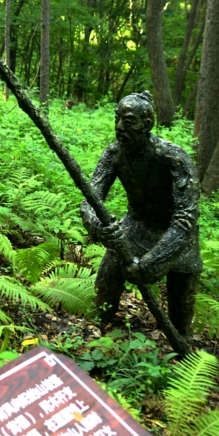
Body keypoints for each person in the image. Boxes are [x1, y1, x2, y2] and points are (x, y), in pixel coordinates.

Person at [81, 91, 201, 336]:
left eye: (127, 120)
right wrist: (97, 228)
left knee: (180, 313)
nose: (119, 127)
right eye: (117, 119)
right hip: (136, 226)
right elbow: (90, 199)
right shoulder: (113, 154)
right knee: (105, 287)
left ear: (146, 125)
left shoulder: (173, 157)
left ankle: (181, 353)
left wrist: (152, 264)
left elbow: (185, 218)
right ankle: (98, 335)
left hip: (176, 236)